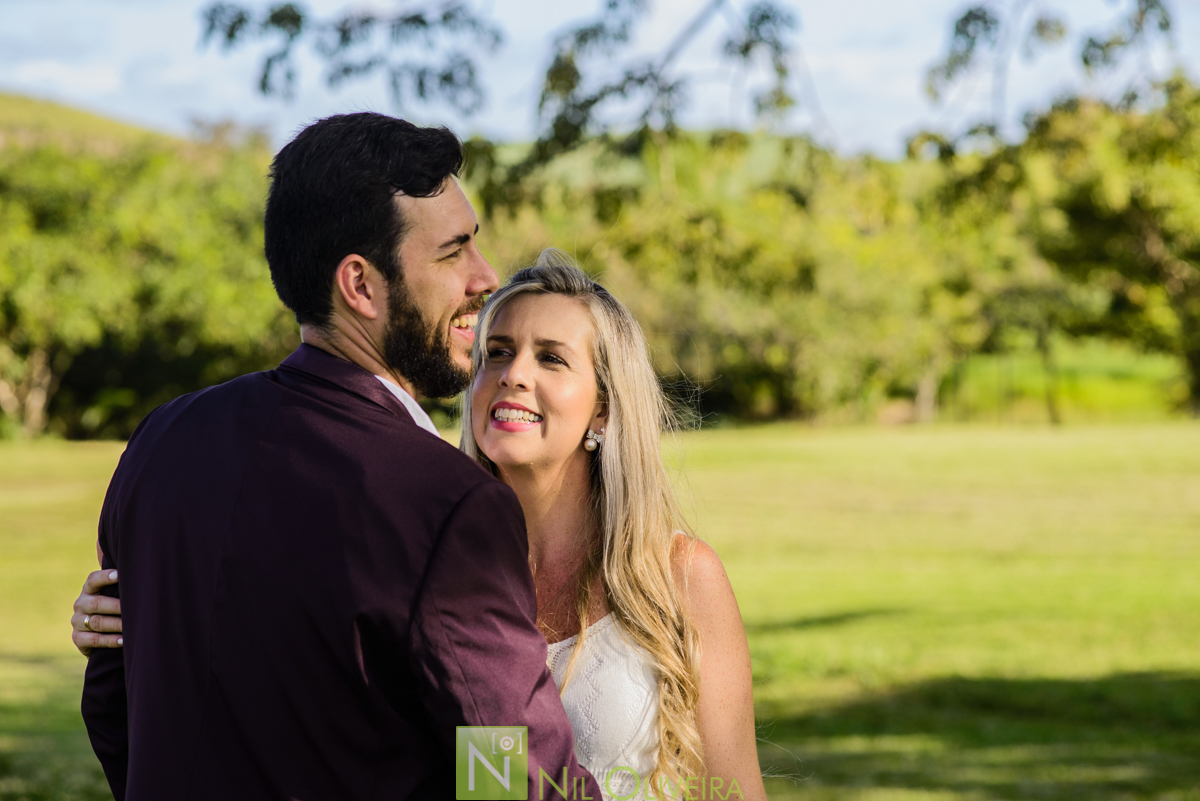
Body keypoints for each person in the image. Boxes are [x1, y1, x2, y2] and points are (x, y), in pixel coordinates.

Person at [76, 250, 767, 800]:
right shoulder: (427, 554)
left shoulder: (678, 576)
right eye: (496, 351)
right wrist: (130, 619)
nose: (512, 374)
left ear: (605, 411)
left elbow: (734, 791)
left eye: (550, 357)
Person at [72, 112, 602, 801]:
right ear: (360, 285)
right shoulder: (445, 504)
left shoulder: (162, 441)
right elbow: (517, 783)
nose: (485, 276)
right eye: (452, 254)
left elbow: (116, 716)